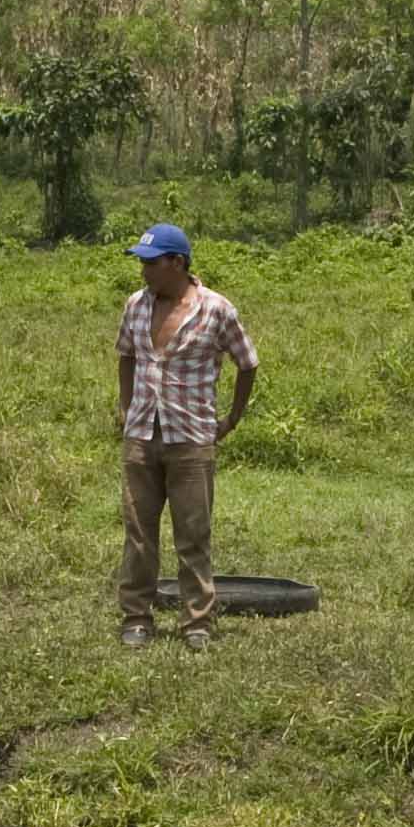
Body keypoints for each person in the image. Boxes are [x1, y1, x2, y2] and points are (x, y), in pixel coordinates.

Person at [112, 223, 257, 648]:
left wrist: (231, 420)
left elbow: (247, 363)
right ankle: (136, 616)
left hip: (191, 438)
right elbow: (126, 356)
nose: (144, 272)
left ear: (177, 263)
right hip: (142, 435)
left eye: (151, 263)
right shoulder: (136, 305)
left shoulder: (216, 310)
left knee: (193, 534)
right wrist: (126, 408)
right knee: (139, 532)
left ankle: (196, 622)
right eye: (141, 262)